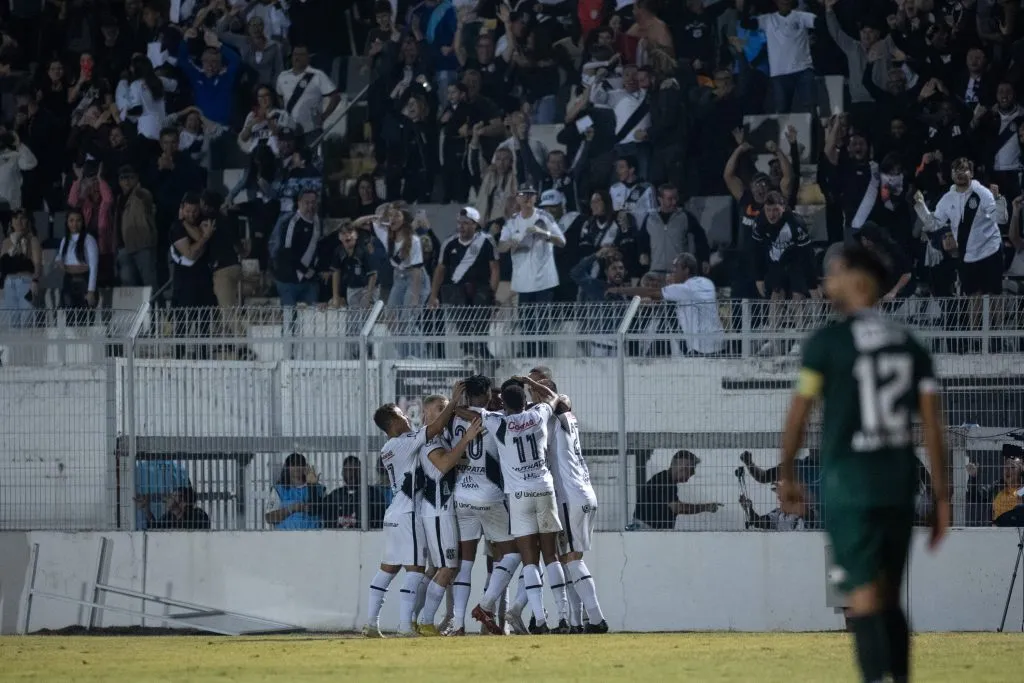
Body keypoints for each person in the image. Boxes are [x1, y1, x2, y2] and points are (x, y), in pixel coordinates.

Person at [778, 242, 950, 683]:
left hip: (848, 485)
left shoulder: (828, 343)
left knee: (863, 597)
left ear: (860, 280)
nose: (827, 281)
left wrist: (787, 473)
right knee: (890, 595)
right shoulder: (912, 345)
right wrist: (942, 494)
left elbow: (799, 414)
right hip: (897, 483)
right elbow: (932, 425)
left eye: (834, 272)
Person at [363, 384, 475, 638]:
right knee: (414, 571)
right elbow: (433, 430)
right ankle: (406, 626)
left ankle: (371, 624)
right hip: (408, 515)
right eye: (402, 415)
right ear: (393, 422)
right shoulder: (403, 443)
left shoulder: (389, 448)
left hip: (393, 514)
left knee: (386, 570)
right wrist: (455, 403)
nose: (407, 417)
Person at [473, 376, 567, 635]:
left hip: (518, 496)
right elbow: (553, 398)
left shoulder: (498, 423)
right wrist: (531, 382)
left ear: (503, 403)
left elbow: (472, 412)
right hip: (544, 490)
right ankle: (564, 616)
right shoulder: (538, 414)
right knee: (551, 556)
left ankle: (540, 618)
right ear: (525, 401)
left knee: (529, 560)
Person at [448, 375, 520, 637]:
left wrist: (454, 403)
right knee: (513, 554)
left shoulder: (454, 418)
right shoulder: (496, 419)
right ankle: (486, 605)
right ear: (488, 394)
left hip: (462, 496)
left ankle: (457, 624)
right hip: (489, 496)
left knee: (465, 564)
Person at [543, 383, 609, 635]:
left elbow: (559, 400)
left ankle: (596, 618)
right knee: (568, 559)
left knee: (571, 559)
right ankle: (576, 621)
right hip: (583, 492)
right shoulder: (566, 418)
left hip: (570, 496)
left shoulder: (556, 415)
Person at [415, 394, 473, 636]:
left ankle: (412, 619)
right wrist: (467, 439)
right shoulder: (428, 440)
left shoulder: (442, 437)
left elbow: (460, 459)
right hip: (438, 510)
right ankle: (426, 621)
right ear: (425, 415)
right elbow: (445, 464)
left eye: (446, 407)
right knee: (448, 568)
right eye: (440, 408)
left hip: (442, 509)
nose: (445, 412)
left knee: (437, 569)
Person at [610, 252, 725, 355]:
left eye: (676, 268)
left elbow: (655, 293)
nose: (673, 271)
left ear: (686, 270)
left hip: (704, 349)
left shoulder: (685, 289)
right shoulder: (706, 282)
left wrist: (620, 290)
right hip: (715, 344)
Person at [633, 450, 722, 529]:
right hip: (647, 532)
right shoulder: (664, 480)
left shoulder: (665, 479)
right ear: (683, 468)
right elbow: (677, 507)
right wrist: (706, 507)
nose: (693, 473)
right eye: (692, 468)